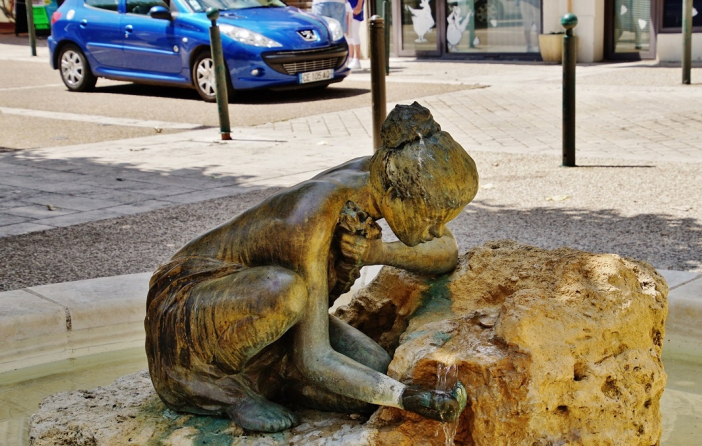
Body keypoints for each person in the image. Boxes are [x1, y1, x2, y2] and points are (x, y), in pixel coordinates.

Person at [145, 102, 478, 433]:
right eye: (432, 220)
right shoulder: (315, 215)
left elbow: (446, 253)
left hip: (275, 321)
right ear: (393, 195)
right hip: (189, 313)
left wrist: (378, 251)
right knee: (285, 292)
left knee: (374, 373)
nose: (434, 231)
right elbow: (315, 357)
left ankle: (277, 378)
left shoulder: (390, 170)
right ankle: (226, 393)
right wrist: (405, 396)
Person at [346, 0, 364, 69]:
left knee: (354, 33)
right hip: (347, 7)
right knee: (348, 35)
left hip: (354, 7)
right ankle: (350, 58)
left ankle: (357, 59)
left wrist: (359, 6)